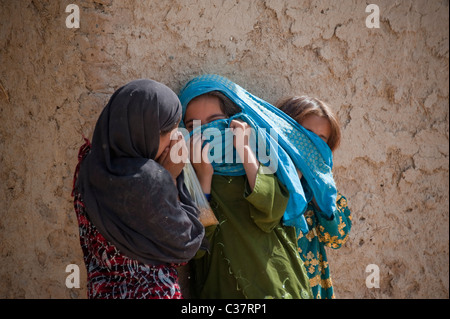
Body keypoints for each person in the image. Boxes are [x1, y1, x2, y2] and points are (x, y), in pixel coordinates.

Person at [179, 75, 313, 299]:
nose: (206, 133)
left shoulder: (264, 158)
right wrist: (204, 177)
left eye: (215, 121)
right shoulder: (185, 175)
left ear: (235, 120)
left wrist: (245, 150)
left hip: (276, 285)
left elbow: (271, 213)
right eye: (194, 126)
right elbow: (196, 243)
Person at [71, 79, 205, 299]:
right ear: (148, 134)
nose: (175, 140)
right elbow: (185, 245)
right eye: (170, 133)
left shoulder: (88, 163)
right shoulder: (149, 181)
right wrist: (169, 177)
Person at [276, 95, 352, 299]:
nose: (313, 143)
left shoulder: (326, 189)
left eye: (322, 138)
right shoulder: (269, 175)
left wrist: (319, 192)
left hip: (312, 286)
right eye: (306, 134)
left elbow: (336, 238)